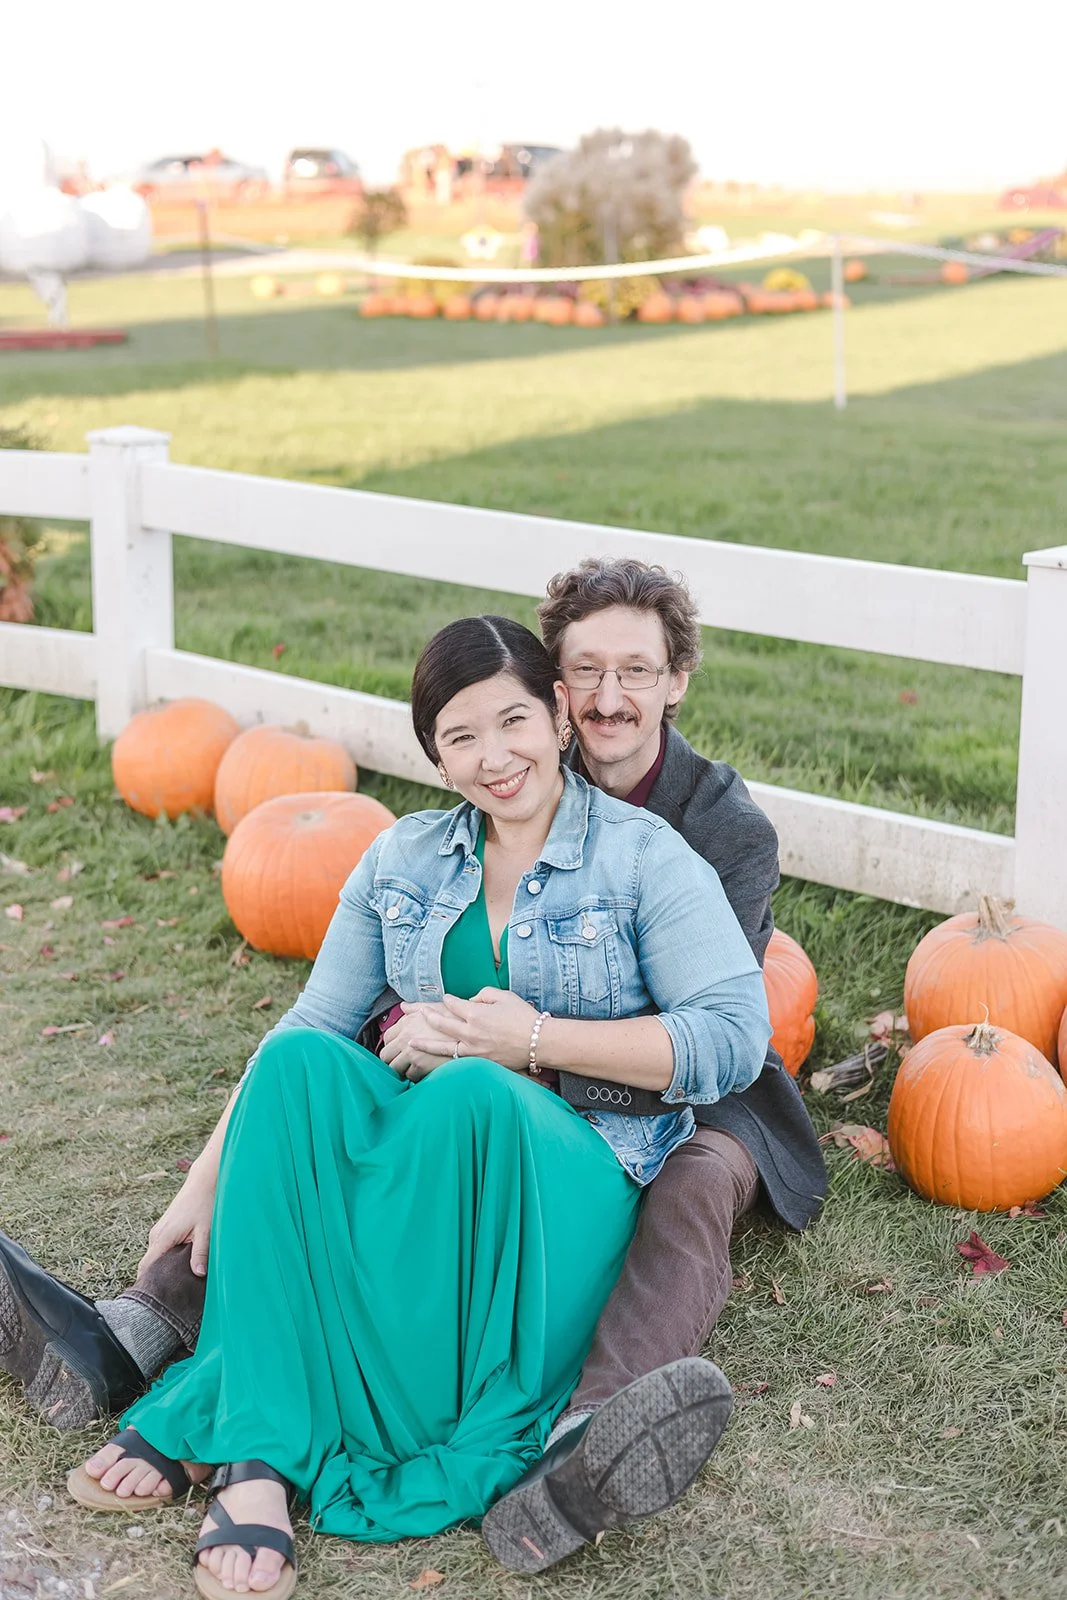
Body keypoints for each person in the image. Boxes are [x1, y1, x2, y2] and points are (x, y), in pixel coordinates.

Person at [0, 559, 827, 1573]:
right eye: (461, 736)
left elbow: (727, 1040)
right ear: (436, 755)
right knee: (303, 1065)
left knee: (507, 1104)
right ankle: (253, 1440)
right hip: (439, 1117)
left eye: (512, 722)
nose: (494, 755)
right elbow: (313, 1020)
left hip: (595, 1139)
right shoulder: (404, 858)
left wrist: (513, 1038)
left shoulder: (664, 850)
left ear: (556, 715)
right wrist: (205, 1173)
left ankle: (579, 1429)